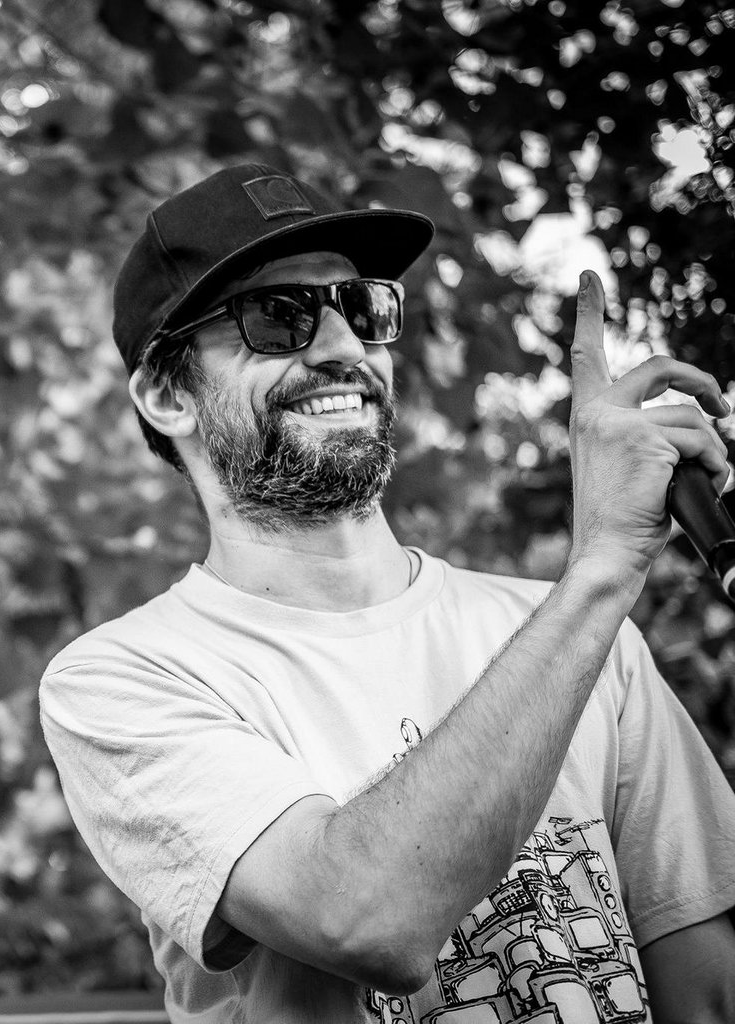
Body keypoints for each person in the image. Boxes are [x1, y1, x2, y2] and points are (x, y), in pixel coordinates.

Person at [39, 163, 735, 1022]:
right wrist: (600, 570)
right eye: (278, 315)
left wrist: (596, 586)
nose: (344, 349)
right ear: (165, 393)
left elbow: (706, 993)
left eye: (362, 308)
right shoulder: (123, 679)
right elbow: (370, 921)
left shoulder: (587, 637)